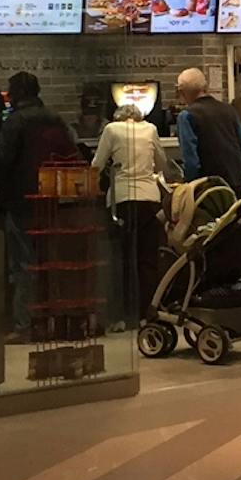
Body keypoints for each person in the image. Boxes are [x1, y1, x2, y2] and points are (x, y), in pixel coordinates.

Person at [0, 72, 78, 340]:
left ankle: (24, 325)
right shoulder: (54, 117)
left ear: (17, 93)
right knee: (50, 262)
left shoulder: (15, 122)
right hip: (53, 199)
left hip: (22, 201)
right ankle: (52, 321)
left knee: (24, 265)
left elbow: (4, 161)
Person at [92, 103, 169, 324]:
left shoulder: (111, 130)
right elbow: (162, 164)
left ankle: (125, 315)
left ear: (119, 117)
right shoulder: (151, 129)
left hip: (122, 201)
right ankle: (149, 311)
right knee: (147, 259)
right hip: (149, 199)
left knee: (124, 258)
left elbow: (96, 164)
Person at [175, 68, 241, 191]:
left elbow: (191, 162)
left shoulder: (186, 116)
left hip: (206, 191)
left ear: (182, 91)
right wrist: (236, 175)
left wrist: (189, 186)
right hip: (234, 188)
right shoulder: (229, 110)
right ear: (205, 87)